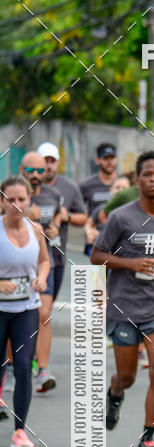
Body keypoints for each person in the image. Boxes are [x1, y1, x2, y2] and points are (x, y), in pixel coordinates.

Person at [90, 151, 154, 447]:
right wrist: (130, 263)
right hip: (124, 309)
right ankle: (115, 392)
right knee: (127, 377)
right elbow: (96, 255)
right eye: (148, 174)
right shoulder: (121, 217)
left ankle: (148, 440)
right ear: (138, 179)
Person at [0, 175, 50, 447]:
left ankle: (19, 431)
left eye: (22, 199)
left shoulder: (36, 230)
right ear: (2, 201)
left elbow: (44, 260)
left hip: (26, 308)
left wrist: (41, 277)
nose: (17, 204)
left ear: (29, 200)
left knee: (22, 366)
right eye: (11, 200)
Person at [37, 140, 88, 376]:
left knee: (43, 311)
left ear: (58, 163)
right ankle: (36, 366)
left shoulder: (68, 188)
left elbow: (82, 217)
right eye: (44, 161)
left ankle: (33, 358)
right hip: (30, 261)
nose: (48, 165)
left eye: (52, 161)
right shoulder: (25, 188)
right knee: (41, 313)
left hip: (56, 259)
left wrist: (66, 217)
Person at [18, 151, 63, 393]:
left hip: (47, 262)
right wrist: (26, 216)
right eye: (30, 170)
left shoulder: (53, 195)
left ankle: (43, 371)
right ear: (21, 170)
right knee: (14, 315)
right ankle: (12, 368)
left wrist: (55, 228)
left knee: (44, 314)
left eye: (39, 170)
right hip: (17, 264)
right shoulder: (12, 192)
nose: (35, 175)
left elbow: (57, 218)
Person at [79, 142, 118, 254]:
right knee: (97, 265)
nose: (109, 162)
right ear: (97, 160)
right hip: (95, 241)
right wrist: (88, 228)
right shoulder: (87, 185)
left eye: (112, 158)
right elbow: (77, 210)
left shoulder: (123, 183)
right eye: (105, 158)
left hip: (118, 239)